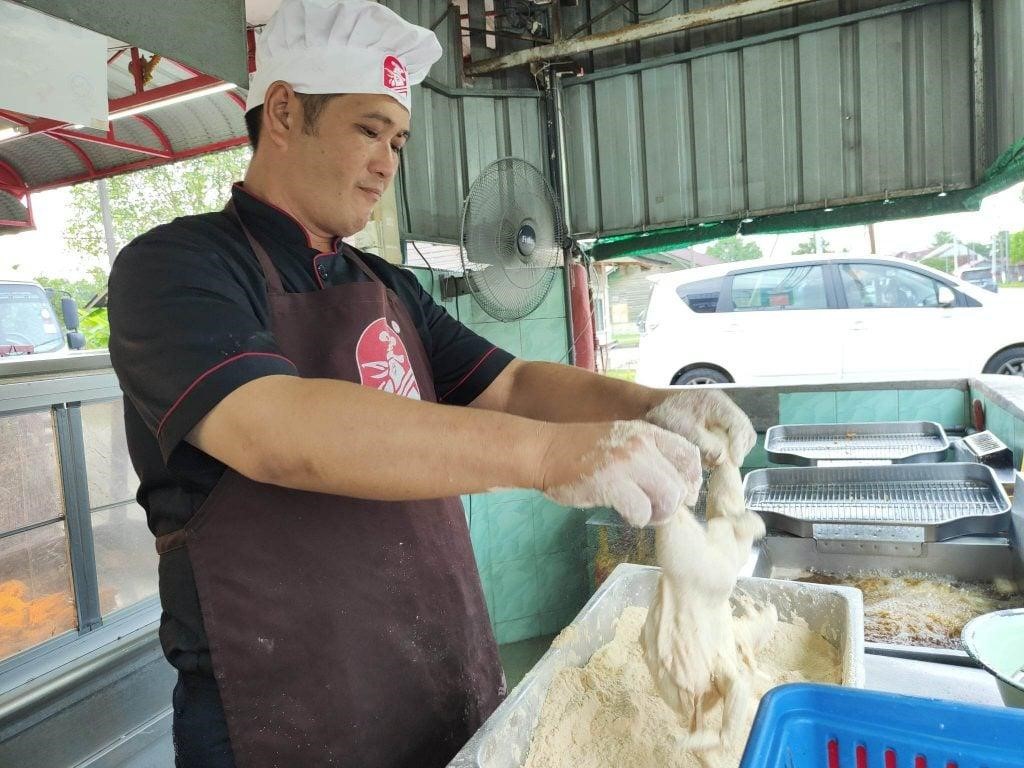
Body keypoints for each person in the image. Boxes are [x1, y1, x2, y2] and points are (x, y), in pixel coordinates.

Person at [107, 1, 755, 766]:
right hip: (275, 708)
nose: (388, 162)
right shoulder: (177, 268)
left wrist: (652, 406)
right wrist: (553, 458)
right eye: (368, 130)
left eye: (398, 140)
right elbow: (272, 428)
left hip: (434, 675)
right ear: (283, 111)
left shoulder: (387, 286)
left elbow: (512, 386)